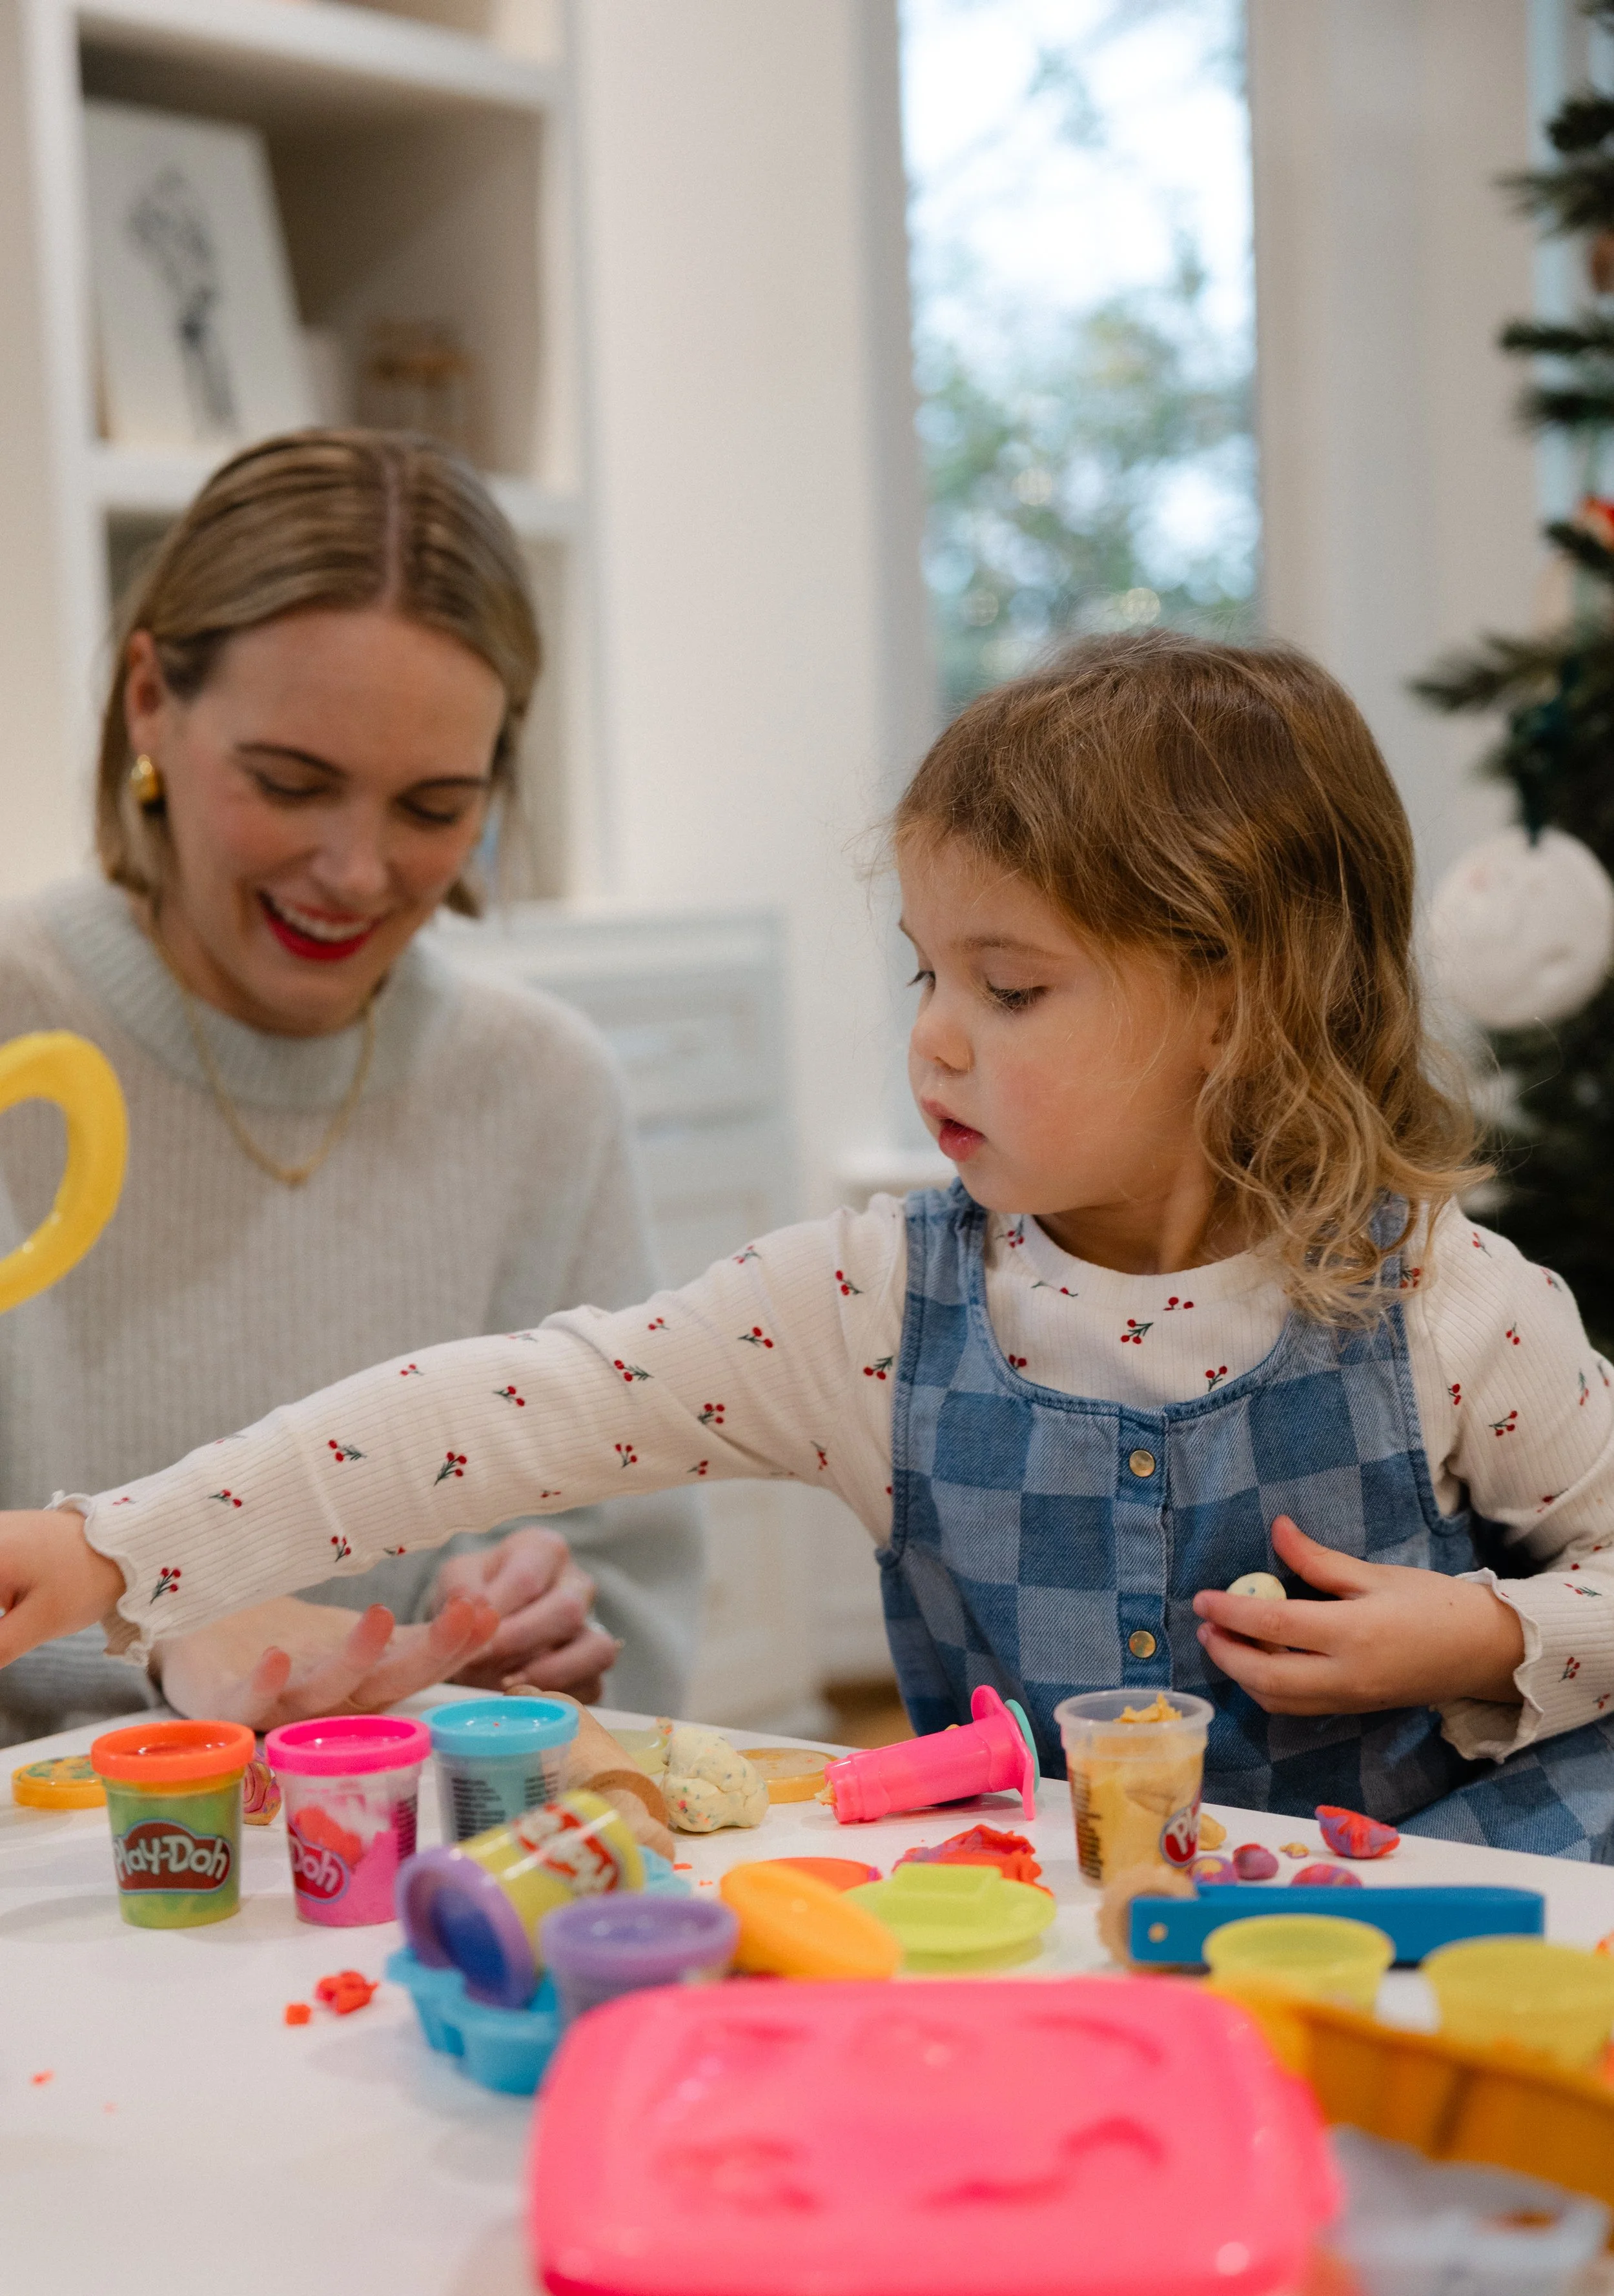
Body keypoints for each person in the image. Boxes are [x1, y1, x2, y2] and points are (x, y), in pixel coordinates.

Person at [5, 631, 1614, 1853]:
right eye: (928, 976)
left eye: (1012, 986)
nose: (934, 1043)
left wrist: (1484, 1633)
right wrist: (109, 1550)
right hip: (1042, 1968)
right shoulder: (859, 1310)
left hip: (1425, 1953)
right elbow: (484, 1416)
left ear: (1231, 1000)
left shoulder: (1444, 1304)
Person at [0, 429, 700, 1745]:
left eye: (435, 807)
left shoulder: (540, 1091)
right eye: (289, 782)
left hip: (403, 1888)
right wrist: (159, 1623)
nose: (357, 871)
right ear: (150, 700)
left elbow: (627, 1594)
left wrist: (527, 1625)